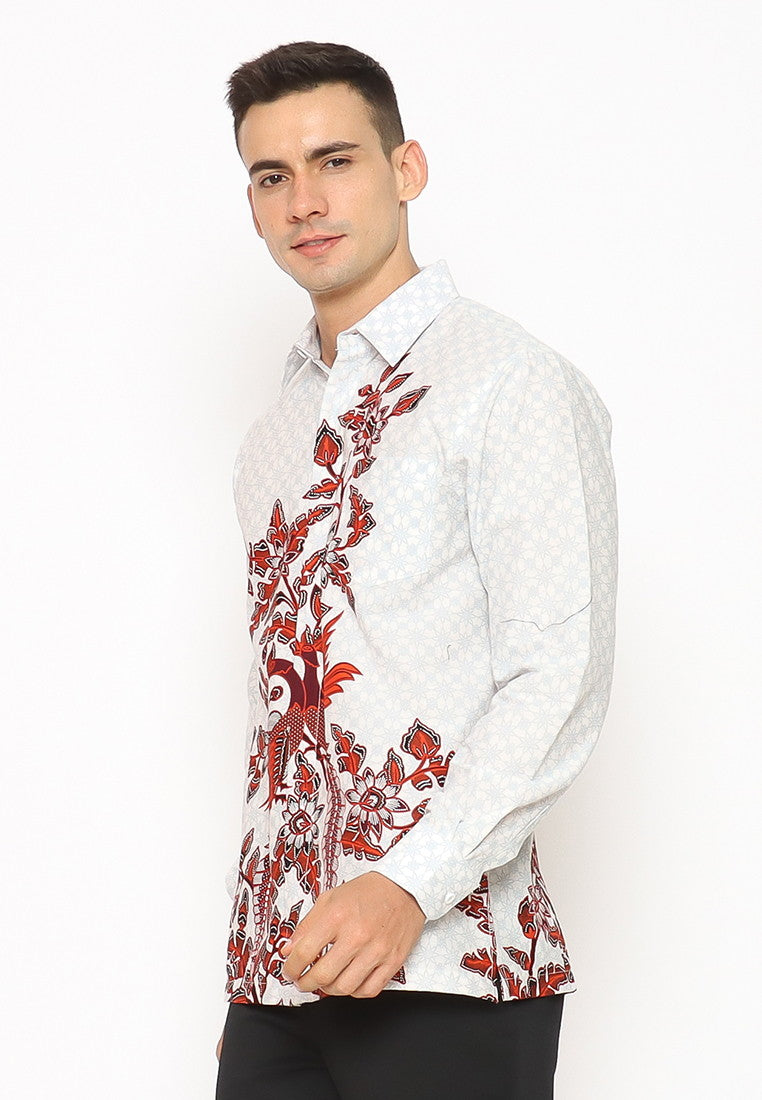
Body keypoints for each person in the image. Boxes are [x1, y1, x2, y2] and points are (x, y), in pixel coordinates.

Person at [215, 40, 618, 1100]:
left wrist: (404, 885)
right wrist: (252, 977)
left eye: (335, 160)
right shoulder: (274, 435)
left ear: (407, 169)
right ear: (252, 205)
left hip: (454, 970)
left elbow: (558, 677)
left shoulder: (510, 381)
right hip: (282, 974)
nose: (305, 201)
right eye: (272, 176)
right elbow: (284, 718)